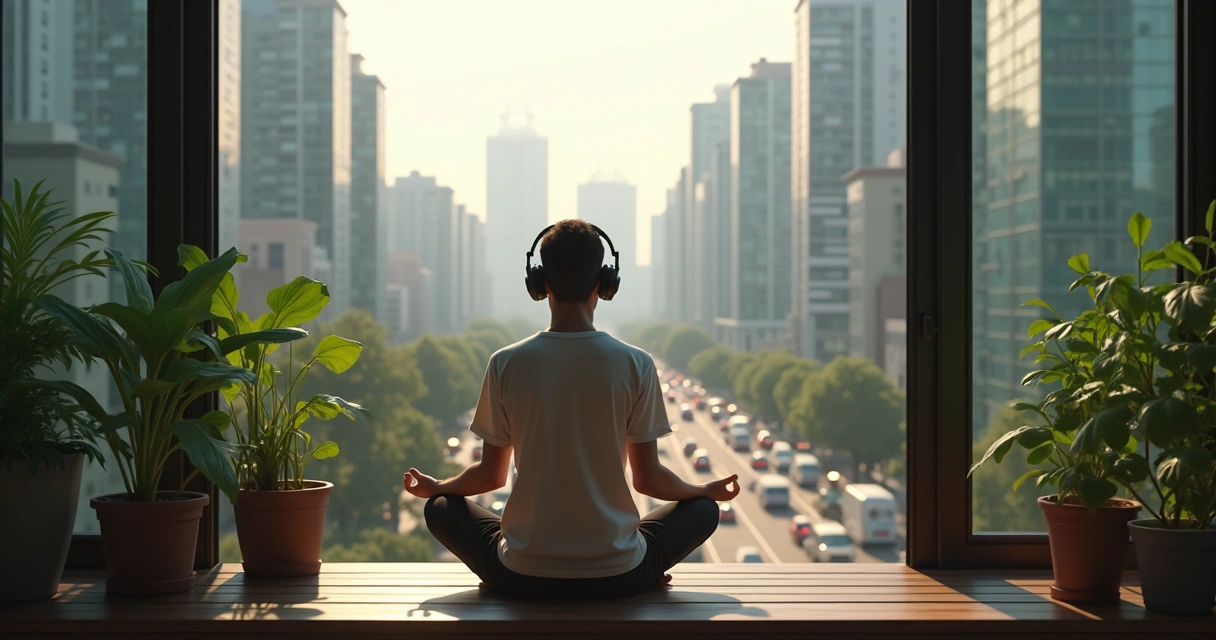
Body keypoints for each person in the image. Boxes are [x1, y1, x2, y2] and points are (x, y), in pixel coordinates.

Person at [404, 219, 739, 600]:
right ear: (605, 283)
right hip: (619, 575)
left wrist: (438, 487)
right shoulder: (637, 363)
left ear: (539, 283)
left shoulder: (505, 363)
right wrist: (701, 489)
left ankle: (509, 564)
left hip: (520, 575)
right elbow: (649, 481)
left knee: (442, 508)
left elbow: (488, 477)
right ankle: (641, 568)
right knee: (703, 511)